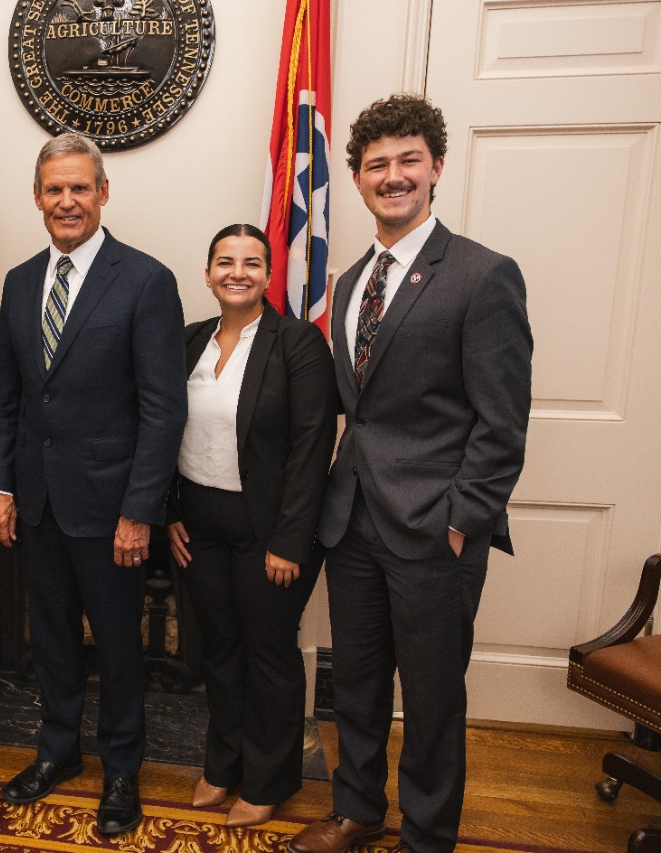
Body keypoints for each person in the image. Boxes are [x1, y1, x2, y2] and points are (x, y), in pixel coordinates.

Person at [287, 94, 532, 853]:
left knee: (429, 698)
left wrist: (463, 519)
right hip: (352, 519)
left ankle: (427, 834)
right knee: (354, 682)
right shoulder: (352, 277)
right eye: (376, 165)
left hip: (436, 531)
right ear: (358, 180)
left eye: (408, 160)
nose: (393, 176)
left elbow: (502, 423)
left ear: (436, 168)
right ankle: (358, 810)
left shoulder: (482, 275)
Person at [0, 132, 187, 837]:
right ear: (37, 198)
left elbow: (163, 408)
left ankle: (122, 769)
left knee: (120, 648)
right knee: (52, 640)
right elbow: (4, 399)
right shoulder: (16, 282)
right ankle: (57, 751)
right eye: (53, 189)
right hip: (36, 502)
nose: (66, 200)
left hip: (111, 509)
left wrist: (141, 509)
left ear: (103, 193)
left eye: (79, 187)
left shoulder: (146, 280)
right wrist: (0, 486)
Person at [167, 224, 336, 828]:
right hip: (200, 521)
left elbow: (314, 444)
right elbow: (161, 429)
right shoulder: (188, 342)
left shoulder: (298, 344)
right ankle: (223, 765)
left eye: (252, 262)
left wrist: (290, 540)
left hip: (269, 528)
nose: (237, 272)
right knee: (220, 649)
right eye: (225, 261)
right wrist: (169, 513)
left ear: (269, 275)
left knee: (268, 654)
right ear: (207, 272)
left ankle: (267, 781)